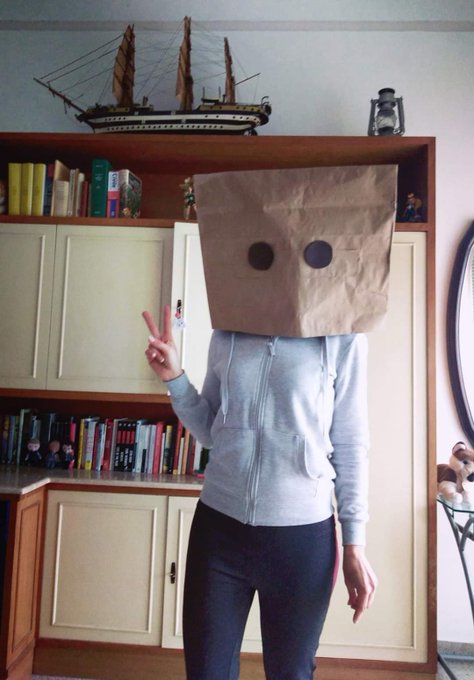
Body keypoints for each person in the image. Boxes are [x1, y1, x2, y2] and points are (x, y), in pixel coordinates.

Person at [143, 305, 377, 680]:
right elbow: (211, 429)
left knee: (290, 673)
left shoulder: (342, 337)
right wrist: (175, 379)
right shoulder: (228, 330)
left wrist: (355, 543)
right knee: (206, 672)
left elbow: (350, 445)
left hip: (301, 542)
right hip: (219, 532)